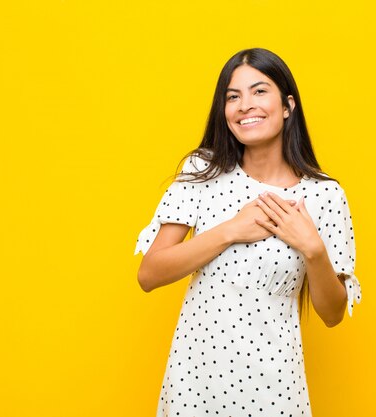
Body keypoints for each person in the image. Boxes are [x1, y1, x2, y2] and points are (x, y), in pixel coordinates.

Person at [134, 48, 361, 416]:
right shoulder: (202, 171)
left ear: (287, 106)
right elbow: (149, 274)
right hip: (195, 383)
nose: (245, 105)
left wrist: (314, 250)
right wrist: (230, 230)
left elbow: (332, 314)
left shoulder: (323, 195)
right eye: (233, 96)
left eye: (259, 91)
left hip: (275, 386)